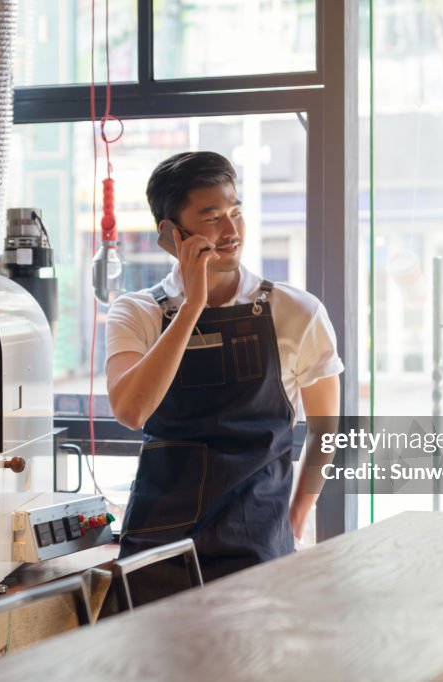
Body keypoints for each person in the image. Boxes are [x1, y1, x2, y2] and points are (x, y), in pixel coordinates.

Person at [105, 151, 342, 596]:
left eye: (236, 213)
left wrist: (296, 517)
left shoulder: (297, 311)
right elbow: (131, 410)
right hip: (158, 546)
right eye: (212, 217)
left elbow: (327, 430)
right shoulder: (136, 313)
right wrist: (191, 306)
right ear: (172, 234)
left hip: (258, 542)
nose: (231, 231)